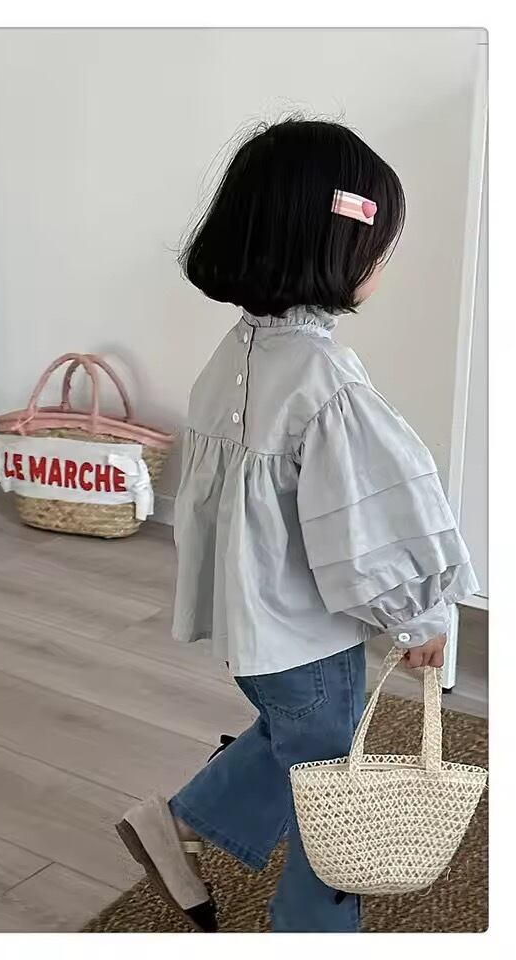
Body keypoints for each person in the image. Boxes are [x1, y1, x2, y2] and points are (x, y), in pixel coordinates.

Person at [115, 118, 478, 933]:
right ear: (336, 249)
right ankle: (310, 931)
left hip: (254, 632)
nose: (381, 263)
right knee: (329, 794)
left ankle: (178, 823)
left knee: (295, 739)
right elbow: (368, 519)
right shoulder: (325, 380)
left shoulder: (235, 356)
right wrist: (420, 613)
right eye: (377, 247)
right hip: (307, 640)